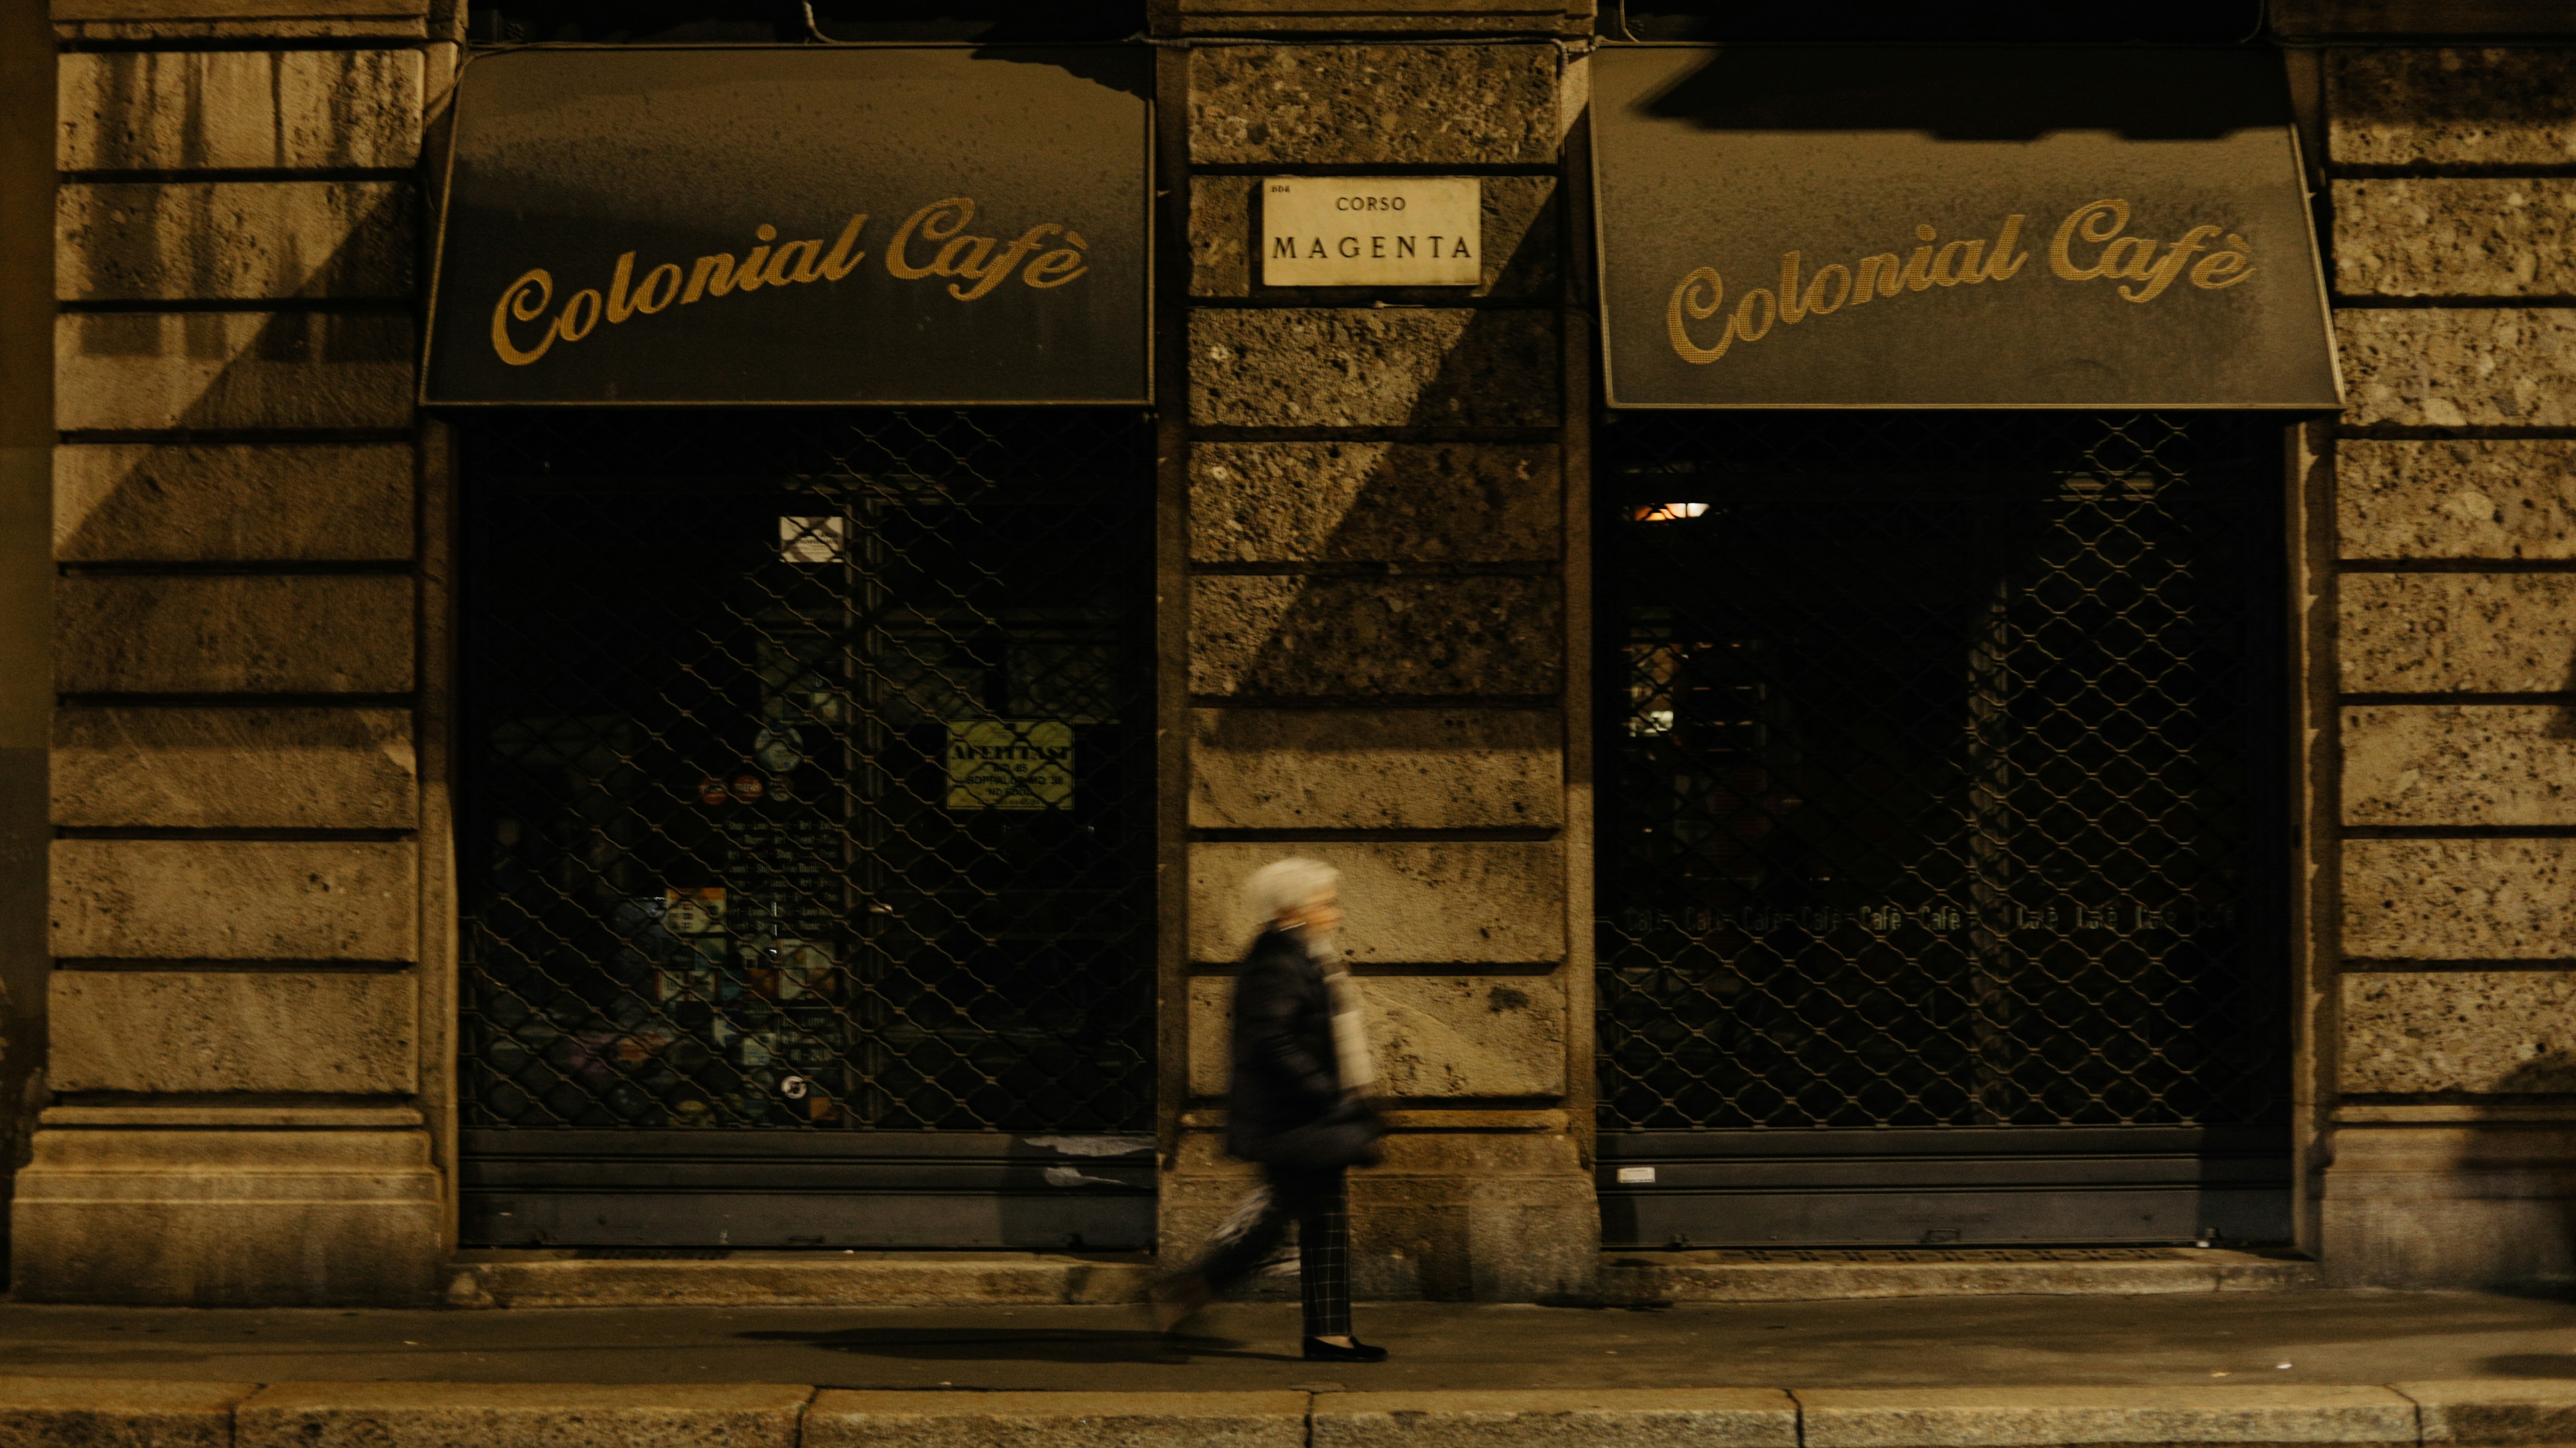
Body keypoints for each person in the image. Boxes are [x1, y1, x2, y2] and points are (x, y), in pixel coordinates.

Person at [1150, 856, 1388, 1363]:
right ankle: (1190, 1289)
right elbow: (1272, 1038)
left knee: (1311, 1219)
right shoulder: (1277, 959)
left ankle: (1326, 1332)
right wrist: (1328, 1090)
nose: (1335, 912)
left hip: (1306, 1116)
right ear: (1291, 908)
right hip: (1297, 1118)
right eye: (1325, 902)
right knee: (1293, 1220)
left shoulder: (1301, 951)